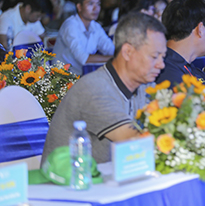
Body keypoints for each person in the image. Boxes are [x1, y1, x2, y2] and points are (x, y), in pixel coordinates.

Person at [42, 13, 167, 163]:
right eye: (154, 57)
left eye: (163, 57)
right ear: (128, 52)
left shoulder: (145, 86)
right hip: (70, 182)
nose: (161, 65)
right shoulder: (94, 89)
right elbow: (135, 142)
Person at [53, 0, 114, 75]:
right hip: (64, 79)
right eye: (90, 4)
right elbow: (83, 59)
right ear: (79, 7)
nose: (95, 8)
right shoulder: (70, 26)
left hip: (84, 76)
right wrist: (114, 59)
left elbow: (110, 48)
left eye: (98, 4)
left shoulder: (95, 26)